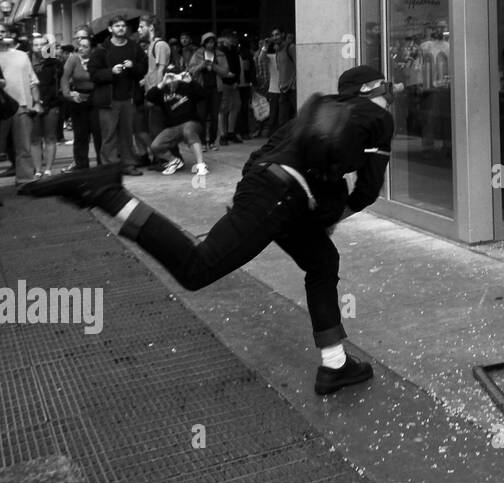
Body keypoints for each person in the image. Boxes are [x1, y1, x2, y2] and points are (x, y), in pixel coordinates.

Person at [23, 66, 397, 395]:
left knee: (322, 260)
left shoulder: (318, 110)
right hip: (282, 199)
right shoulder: (377, 119)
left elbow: (262, 155)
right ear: (374, 92)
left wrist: (253, 198)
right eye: (386, 95)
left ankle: (335, 365)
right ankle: (108, 194)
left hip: (270, 189)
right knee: (196, 269)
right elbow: (366, 191)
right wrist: (331, 216)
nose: (389, 102)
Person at [88, 14, 146, 176]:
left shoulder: (134, 47)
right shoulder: (102, 50)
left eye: (123, 26)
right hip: (109, 100)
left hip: (129, 98)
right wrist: (110, 72)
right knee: (109, 135)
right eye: (117, 26)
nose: (121, 28)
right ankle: (110, 168)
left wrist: (133, 66)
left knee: (127, 135)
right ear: (110, 29)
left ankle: (128, 165)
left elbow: (144, 68)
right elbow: (93, 73)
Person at [144, 71, 206, 175]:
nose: (172, 80)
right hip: (173, 127)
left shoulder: (187, 86)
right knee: (155, 146)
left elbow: (203, 94)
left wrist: (191, 82)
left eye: (174, 76)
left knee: (188, 131)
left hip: (191, 122)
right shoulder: (163, 90)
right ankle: (174, 161)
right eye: (169, 77)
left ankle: (201, 165)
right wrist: (162, 83)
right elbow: (149, 98)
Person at [0, 30, 39, 184]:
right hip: (1, 108)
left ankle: (25, 180)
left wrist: (36, 102)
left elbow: (33, 80)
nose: (1, 34)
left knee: (24, 147)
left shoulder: (22, 55)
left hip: (22, 106)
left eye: (3, 31)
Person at [61, 34, 101, 170]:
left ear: (91, 48)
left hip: (95, 98)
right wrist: (69, 95)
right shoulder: (73, 59)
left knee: (98, 133)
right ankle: (81, 164)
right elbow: (64, 78)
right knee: (80, 134)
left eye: (85, 46)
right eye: (80, 46)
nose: (81, 49)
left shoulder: (97, 58)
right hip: (78, 98)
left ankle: (102, 164)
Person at [136, 15, 171, 161]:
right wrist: (144, 81)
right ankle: (161, 159)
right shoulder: (152, 45)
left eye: (141, 26)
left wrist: (154, 95)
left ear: (151, 27)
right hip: (152, 93)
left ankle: (165, 160)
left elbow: (160, 71)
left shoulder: (160, 45)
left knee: (158, 130)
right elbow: (153, 71)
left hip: (158, 96)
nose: (139, 30)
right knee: (153, 129)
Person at [189, 32, 230, 150]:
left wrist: (214, 67)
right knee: (201, 115)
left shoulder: (220, 54)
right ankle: (202, 142)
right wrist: (201, 65)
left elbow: (225, 72)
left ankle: (212, 141)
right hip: (201, 88)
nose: (210, 44)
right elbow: (191, 70)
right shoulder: (197, 54)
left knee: (214, 115)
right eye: (208, 42)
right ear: (203, 43)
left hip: (216, 88)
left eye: (212, 42)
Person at [31, 34, 64, 178]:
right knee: (35, 138)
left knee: (50, 137)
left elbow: (58, 84)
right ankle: (37, 169)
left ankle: (48, 168)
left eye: (42, 44)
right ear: (32, 47)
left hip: (52, 104)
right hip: (33, 104)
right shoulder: (27, 62)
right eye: (36, 45)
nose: (39, 47)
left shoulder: (55, 63)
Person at [217, 30, 243, 145]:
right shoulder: (219, 51)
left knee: (235, 106)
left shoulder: (233, 50)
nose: (232, 40)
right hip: (223, 82)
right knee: (223, 109)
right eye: (230, 38)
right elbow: (217, 67)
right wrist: (225, 77)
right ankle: (223, 135)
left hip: (233, 82)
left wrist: (236, 80)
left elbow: (237, 67)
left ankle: (231, 132)